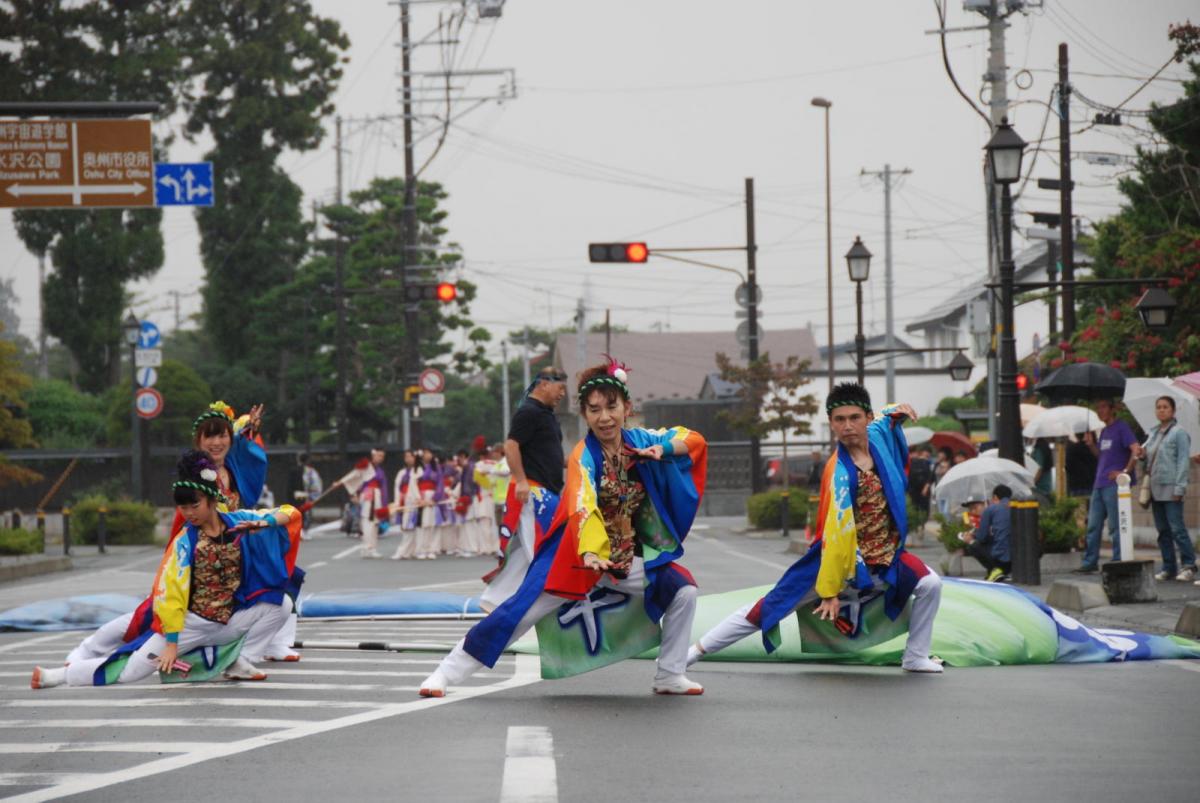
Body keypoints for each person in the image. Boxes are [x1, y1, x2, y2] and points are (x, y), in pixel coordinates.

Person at [418, 357, 707, 697]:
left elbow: (693, 439)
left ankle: (670, 674)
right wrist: (592, 552)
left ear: (627, 408)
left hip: (625, 556)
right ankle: (445, 673)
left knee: (683, 590)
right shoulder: (584, 456)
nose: (604, 417)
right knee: (519, 612)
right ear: (584, 414)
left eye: (611, 407)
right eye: (594, 410)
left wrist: (664, 448)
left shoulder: (642, 440)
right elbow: (583, 504)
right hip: (575, 555)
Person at [688, 382, 944, 674]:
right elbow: (836, 535)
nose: (848, 426)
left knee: (930, 584)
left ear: (868, 418)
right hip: (838, 560)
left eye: (854, 418)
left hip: (886, 557)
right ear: (831, 424)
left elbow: (887, 417)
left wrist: (898, 410)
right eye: (839, 419)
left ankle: (915, 656)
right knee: (770, 607)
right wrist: (830, 590)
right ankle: (692, 653)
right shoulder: (839, 472)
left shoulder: (878, 436)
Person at [33, 450, 298, 689]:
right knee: (131, 671)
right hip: (189, 624)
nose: (189, 513)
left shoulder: (240, 521)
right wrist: (171, 644)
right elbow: (171, 594)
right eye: (183, 507)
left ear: (212, 499)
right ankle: (60, 675)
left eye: (195, 505)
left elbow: (290, 512)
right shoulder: (184, 542)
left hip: (227, 621)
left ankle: (240, 659)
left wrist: (265, 523)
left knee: (281, 604)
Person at [63, 401, 274, 666]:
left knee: (270, 587)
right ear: (198, 441)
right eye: (209, 437)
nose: (217, 442)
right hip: (196, 554)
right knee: (151, 614)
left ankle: (267, 647)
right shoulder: (196, 471)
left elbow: (238, 430)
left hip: (225, 553)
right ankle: (88, 651)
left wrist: (249, 425)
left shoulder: (231, 467)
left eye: (222, 436)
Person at [481, 366, 568, 610]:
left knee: (524, 553)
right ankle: (539, 605)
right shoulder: (529, 412)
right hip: (533, 492)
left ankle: (494, 600)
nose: (563, 394)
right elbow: (511, 446)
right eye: (560, 387)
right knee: (541, 552)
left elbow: (546, 453)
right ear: (544, 384)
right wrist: (520, 480)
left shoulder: (545, 414)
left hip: (545, 492)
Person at [1075, 399, 1143, 572]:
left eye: (1104, 406)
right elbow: (1101, 456)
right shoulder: (1104, 431)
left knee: (1115, 525)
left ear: (1112, 409)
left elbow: (1136, 449)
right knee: (1093, 525)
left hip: (1114, 485)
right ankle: (1090, 562)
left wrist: (1125, 471)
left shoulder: (1122, 427)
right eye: (1098, 407)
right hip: (1099, 483)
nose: (1100, 410)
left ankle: (1118, 559)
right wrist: (1091, 445)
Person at [1141, 396, 1195, 582]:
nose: (1161, 410)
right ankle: (1169, 567)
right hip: (1155, 488)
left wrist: (1180, 488)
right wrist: (1142, 456)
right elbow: (1149, 460)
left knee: (1177, 529)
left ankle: (1189, 565)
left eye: (1165, 407)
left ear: (1173, 410)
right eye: (1158, 407)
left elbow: (1183, 462)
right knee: (1163, 530)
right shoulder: (1153, 433)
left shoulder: (1179, 433)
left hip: (1171, 487)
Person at [961, 485, 1013, 582]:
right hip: (1021, 558)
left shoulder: (991, 509)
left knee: (972, 545)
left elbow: (982, 538)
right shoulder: (1016, 506)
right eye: (970, 509)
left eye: (975, 507)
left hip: (1002, 560)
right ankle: (996, 572)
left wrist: (971, 538)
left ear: (995, 498)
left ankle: (996, 571)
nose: (972, 511)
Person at [390, 449, 422, 560]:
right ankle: (408, 551)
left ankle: (406, 551)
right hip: (404, 501)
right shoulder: (402, 473)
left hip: (415, 502)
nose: (408, 459)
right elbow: (397, 488)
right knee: (407, 527)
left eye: (410, 456)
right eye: (406, 457)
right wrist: (397, 503)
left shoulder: (420, 471)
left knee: (412, 527)